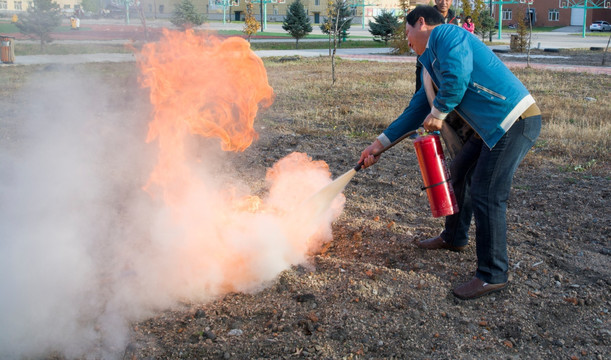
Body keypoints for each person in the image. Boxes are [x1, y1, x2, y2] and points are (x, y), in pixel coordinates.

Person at [359, 6, 542, 300]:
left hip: (513, 121)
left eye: (407, 32)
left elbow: (458, 75)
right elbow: (416, 110)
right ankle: (454, 237)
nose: (406, 41)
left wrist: (440, 112)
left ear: (421, 23)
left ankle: (492, 274)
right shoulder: (431, 65)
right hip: (489, 129)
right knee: (459, 174)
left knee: (486, 191)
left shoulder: (446, 34)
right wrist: (378, 145)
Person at [414, 0, 459, 93]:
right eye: (440, 0)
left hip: (444, 64)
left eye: (447, 0)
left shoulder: (453, 19)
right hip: (426, 62)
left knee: (439, 94)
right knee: (421, 95)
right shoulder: (426, 16)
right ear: (435, 1)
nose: (444, 3)